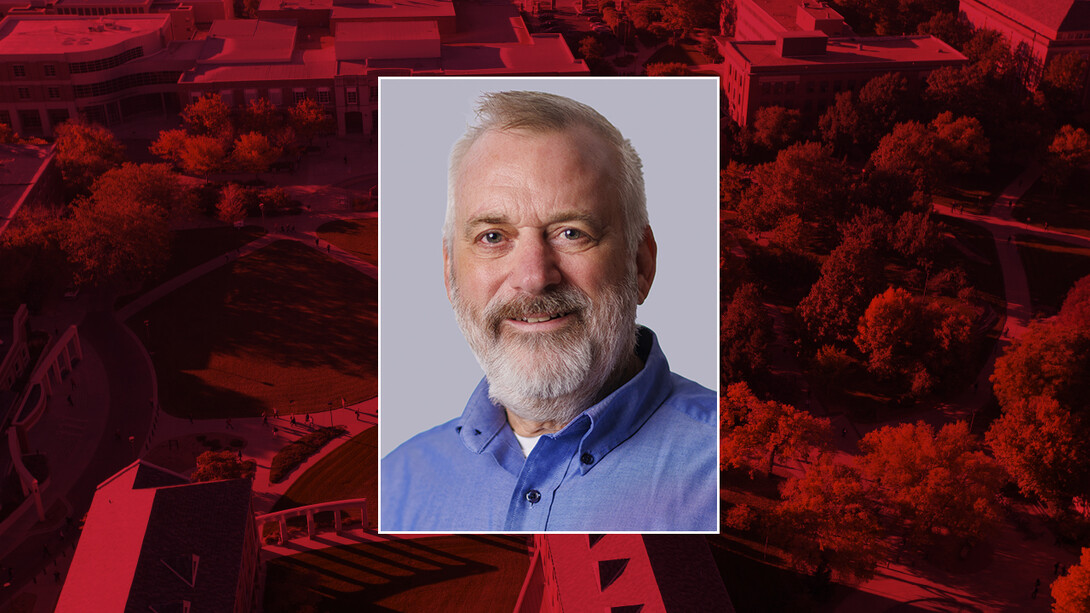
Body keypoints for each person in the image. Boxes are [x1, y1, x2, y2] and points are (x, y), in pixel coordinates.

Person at [380, 91, 716, 532]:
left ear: (641, 264)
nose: (534, 277)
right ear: (450, 275)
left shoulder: (725, 467)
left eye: (571, 232)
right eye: (494, 237)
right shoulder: (397, 485)